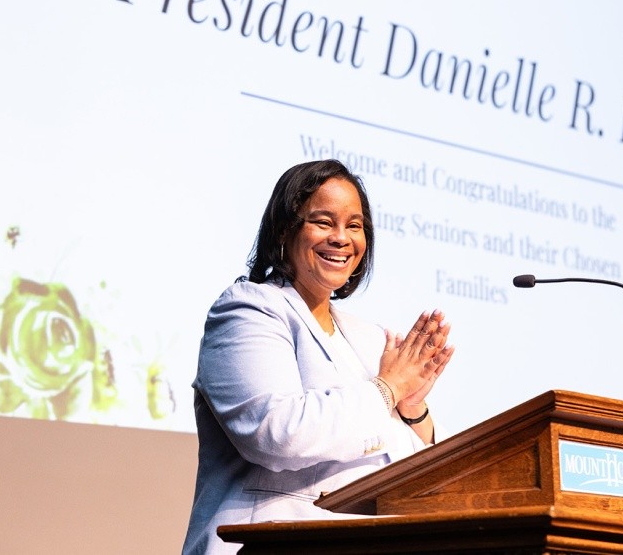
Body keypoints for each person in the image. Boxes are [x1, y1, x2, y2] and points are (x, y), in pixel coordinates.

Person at [181, 159, 455, 555]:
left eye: (354, 225)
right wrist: (388, 389)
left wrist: (412, 410)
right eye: (323, 222)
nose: (341, 238)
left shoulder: (370, 338)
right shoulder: (247, 310)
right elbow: (275, 432)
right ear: (283, 230)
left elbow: (399, 467)